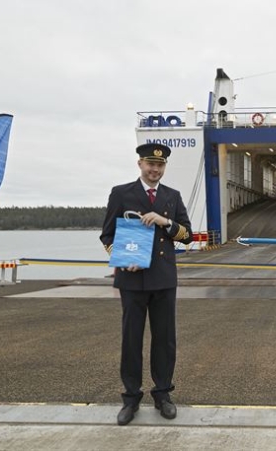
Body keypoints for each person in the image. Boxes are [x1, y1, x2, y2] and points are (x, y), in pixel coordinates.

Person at [100, 143, 194, 425]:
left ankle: (163, 394)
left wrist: (165, 221)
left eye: (160, 166)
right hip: (132, 279)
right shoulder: (122, 193)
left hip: (163, 278)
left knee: (164, 340)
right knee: (131, 340)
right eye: (150, 165)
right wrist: (120, 258)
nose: (155, 170)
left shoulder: (172, 196)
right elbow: (107, 235)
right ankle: (130, 398)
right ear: (140, 164)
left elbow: (187, 235)